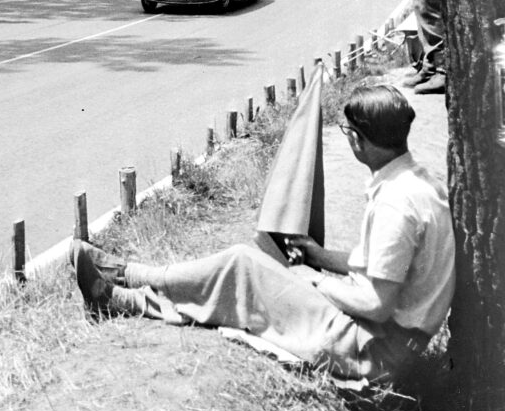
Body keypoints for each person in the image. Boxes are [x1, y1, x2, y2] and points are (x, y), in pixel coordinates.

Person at [70, 84, 454, 388]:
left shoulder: (395, 205)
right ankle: (128, 284)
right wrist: (318, 256)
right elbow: (382, 265)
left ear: (356, 140)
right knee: (250, 266)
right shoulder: (416, 183)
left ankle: (127, 290)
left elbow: (376, 304)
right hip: (392, 343)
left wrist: (315, 279)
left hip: (372, 350)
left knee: (243, 264)